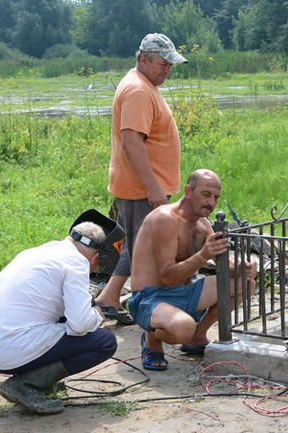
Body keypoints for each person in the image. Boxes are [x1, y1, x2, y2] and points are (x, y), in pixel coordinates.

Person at [0, 209, 124, 415]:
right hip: (2, 350)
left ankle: (40, 377)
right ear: (96, 257)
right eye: (99, 265)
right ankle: (26, 384)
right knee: (104, 342)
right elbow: (80, 325)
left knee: (64, 324)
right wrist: (97, 315)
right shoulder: (77, 262)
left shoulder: (36, 251)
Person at [94, 33, 188, 325]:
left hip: (139, 187)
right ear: (144, 59)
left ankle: (109, 297)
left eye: (171, 65)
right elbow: (132, 142)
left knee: (132, 244)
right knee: (142, 249)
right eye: (162, 63)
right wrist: (153, 188)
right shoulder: (137, 90)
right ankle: (142, 305)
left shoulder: (143, 84)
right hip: (141, 189)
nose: (167, 70)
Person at [127, 169, 258, 371]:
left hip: (185, 293)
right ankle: (152, 340)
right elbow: (168, 277)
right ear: (188, 191)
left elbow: (221, 261)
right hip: (151, 297)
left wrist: (243, 269)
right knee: (183, 328)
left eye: (215, 197)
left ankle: (197, 337)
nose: (211, 203)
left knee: (246, 284)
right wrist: (203, 255)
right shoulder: (165, 219)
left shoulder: (202, 222)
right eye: (206, 194)